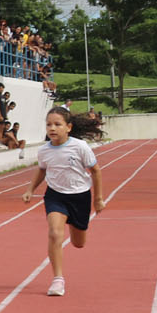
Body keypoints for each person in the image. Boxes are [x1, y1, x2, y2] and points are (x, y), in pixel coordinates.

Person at [22, 106, 105, 298]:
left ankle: (73, 224)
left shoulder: (80, 147)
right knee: (54, 233)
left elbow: (96, 171)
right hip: (55, 195)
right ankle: (57, 279)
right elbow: (42, 170)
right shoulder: (44, 150)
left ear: (68, 127)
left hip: (80, 197)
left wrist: (98, 199)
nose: (52, 128)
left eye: (57, 124)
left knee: (78, 243)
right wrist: (30, 190)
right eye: (49, 124)